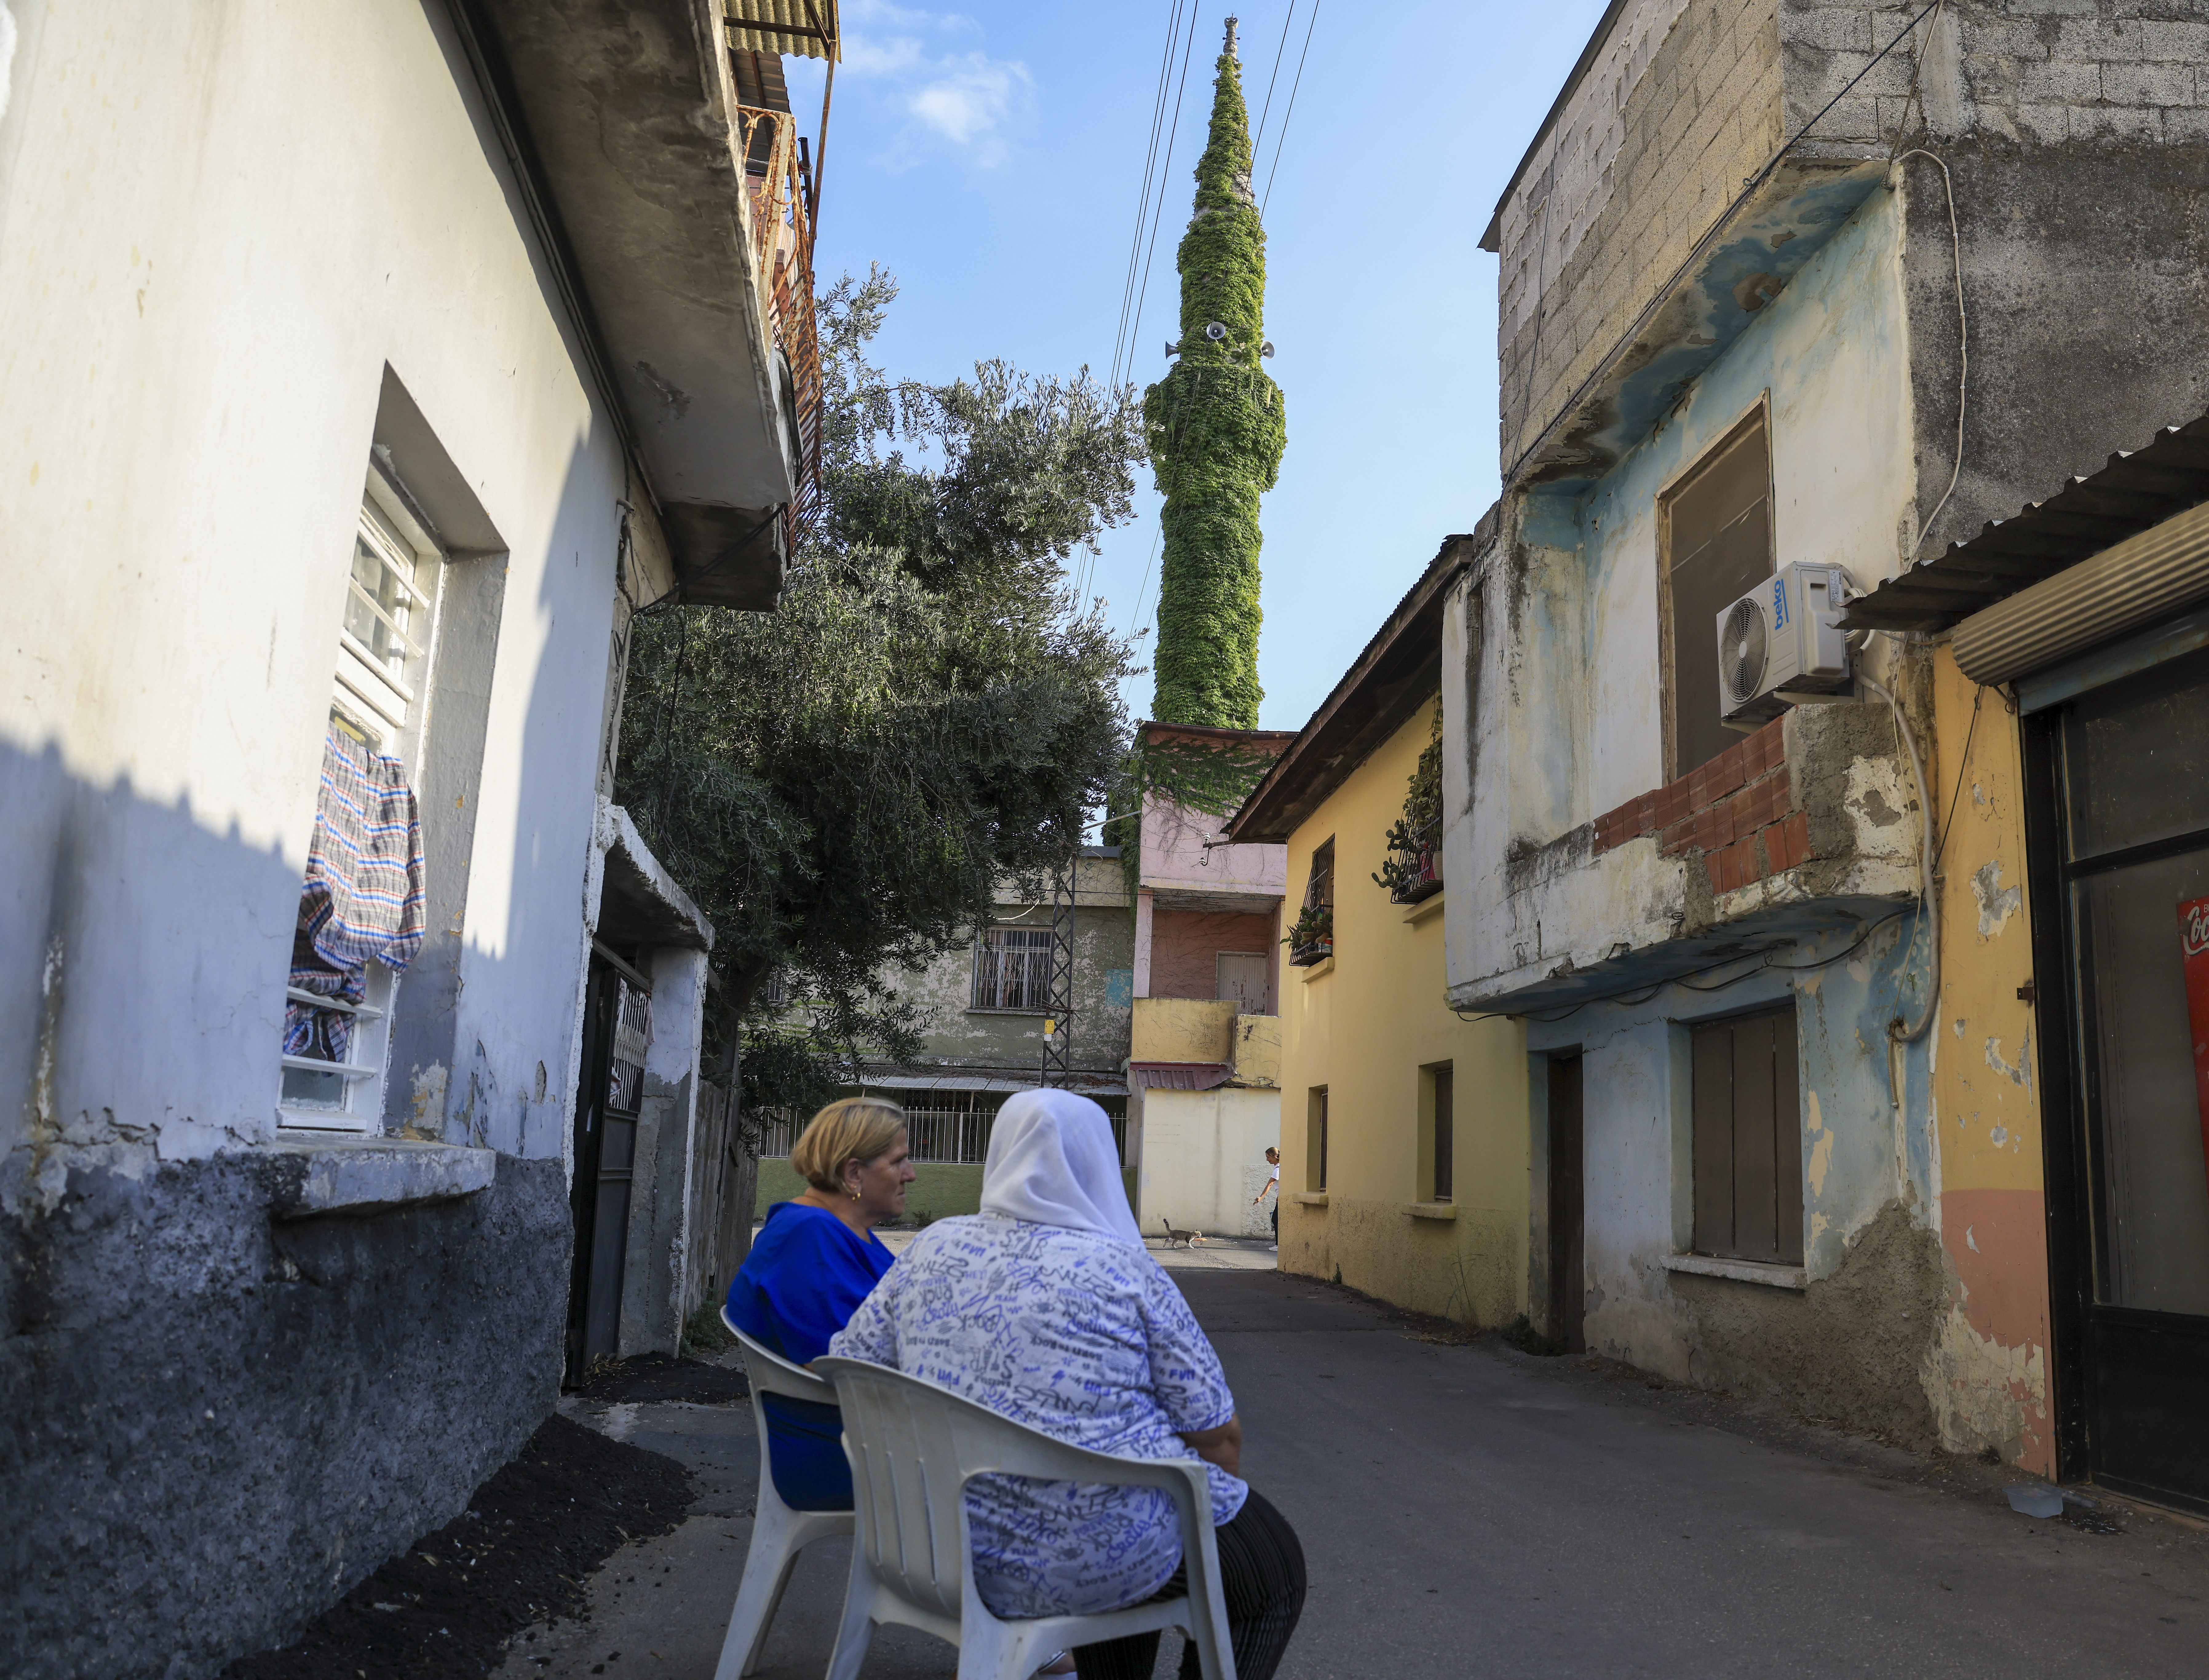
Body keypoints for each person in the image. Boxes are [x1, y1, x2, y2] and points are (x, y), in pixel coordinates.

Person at [830, 1089, 1306, 1680]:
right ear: (1096, 1161)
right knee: (1269, 1569)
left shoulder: (930, 1247)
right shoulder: (1124, 1269)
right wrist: (1208, 1525)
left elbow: (852, 1366)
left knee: (1135, 1525)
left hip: (934, 1546)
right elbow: (1218, 1437)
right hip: (1089, 1559)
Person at [725, 1096, 915, 1511]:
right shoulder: (808, 1237)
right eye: (899, 1161)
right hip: (842, 1450)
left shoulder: (839, 1230)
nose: (911, 1175)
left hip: (867, 1437)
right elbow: (846, 1367)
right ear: (853, 1173)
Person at [1252, 1146, 1280, 1248]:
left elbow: (1270, 1184)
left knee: (1276, 1220)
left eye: (1268, 1157)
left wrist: (1261, 1197)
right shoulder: (1281, 1167)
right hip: (1281, 1198)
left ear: (1275, 1156)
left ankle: (1279, 1245)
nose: (1267, 1160)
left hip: (1282, 1200)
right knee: (1276, 1220)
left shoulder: (1278, 1170)